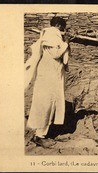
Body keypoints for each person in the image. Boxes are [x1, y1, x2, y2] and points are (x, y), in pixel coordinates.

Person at [25, 16, 69, 147]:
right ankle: (39, 136)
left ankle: (44, 133)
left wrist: (66, 43)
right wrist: (66, 43)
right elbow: (56, 54)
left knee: (51, 103)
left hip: (52, 75)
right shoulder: (50, 35)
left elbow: (61, 57)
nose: (63, 31)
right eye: (63, 28)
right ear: (58, 26)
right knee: (45, 104)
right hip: (47, 76)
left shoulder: (54, 36)